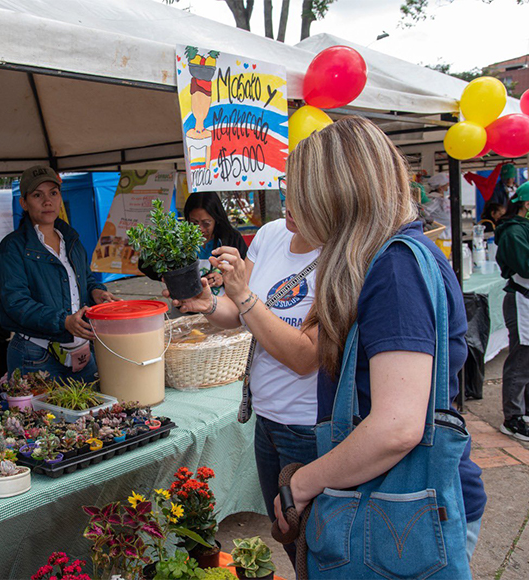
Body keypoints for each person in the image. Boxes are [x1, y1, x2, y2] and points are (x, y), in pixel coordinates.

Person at [273, 118, 486, 564]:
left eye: (299, 193)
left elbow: (396, 427)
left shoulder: (394, 269)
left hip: (404, 511)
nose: (290, 206)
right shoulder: (390, 259)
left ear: (334, 195)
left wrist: (304, 483)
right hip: (398, 503)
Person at [170, 206, 319, 567]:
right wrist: (207, 303)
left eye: (301, 194)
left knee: (315, 542)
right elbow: (238, 313)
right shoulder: (271, 235)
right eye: (287, 189)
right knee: (286, 534)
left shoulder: (336, 252)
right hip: (265, 419)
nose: (289, 204)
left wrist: (242, 293)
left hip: (309, 426)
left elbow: (305, 356)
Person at [0, 166, 118, 383]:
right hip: (33, 355)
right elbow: (16, 303)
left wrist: (97, 291)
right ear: (23, 203)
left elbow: (84, 280)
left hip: (79, 348)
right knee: (41, 417)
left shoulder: (71, 240)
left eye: (53, 193)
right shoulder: (12, 248)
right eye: (37, 195)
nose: (47, 201)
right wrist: (63, 321)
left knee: (92, 412)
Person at [495, 182, 529, 441]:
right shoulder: (513, 232)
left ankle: (525, 410)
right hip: (521, 300)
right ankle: (513, 417)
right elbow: (524, 266)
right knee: (521, 358)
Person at [183, 192, 248, 295]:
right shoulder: (180, 240)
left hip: (225, 306)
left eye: (206, 223)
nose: (200, 229)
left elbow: (246, 273)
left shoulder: (232, 238)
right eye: (194, 223)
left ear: (216, 219)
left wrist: (223, 278)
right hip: (187, 306)